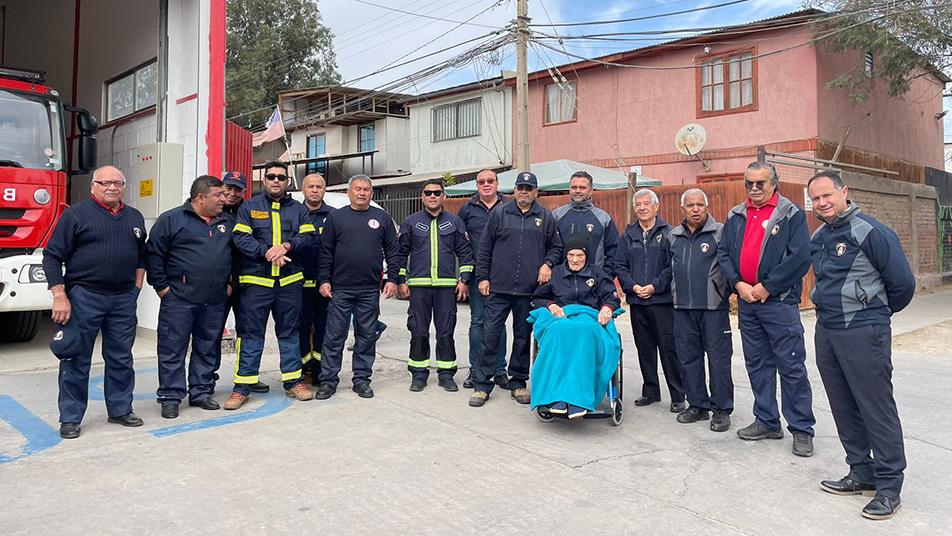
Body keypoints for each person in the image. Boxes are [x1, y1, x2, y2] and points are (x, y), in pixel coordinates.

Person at [808, 171, 915, 520]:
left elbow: (902, 285)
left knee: (875, 407)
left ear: (844, 192)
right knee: (842, 404)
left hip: (863, 332)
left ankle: (888, 487)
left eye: (827, 195)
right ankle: (861, 472)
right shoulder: (820, 235)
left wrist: (873, 314)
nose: (822, 203)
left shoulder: (871, 231)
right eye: (815, 199)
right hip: (827, 330)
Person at [716, 161, 815, 457]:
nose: (755, 189)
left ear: (774, 183)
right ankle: (767, 421)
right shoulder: (736, 215)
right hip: (747, 303)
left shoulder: (790, 214)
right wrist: (738, 284)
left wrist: (767, 286)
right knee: (757, 364)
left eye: (761, 183)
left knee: (791, 366)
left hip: (778, 302)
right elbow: (723, 253)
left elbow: (800, 258)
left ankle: (801, 429)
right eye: (750, 183)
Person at [42, 166, 147, 439]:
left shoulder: (134, 217)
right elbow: (52, 256)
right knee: (75, 357)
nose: (112, 187)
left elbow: (141, 256)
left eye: (118, 183)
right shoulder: (75, 215)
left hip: (123, 299)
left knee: (121, 357)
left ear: (124, 187)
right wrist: (60, 296)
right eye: (106, 182)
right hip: (83, 296)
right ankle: (70, 418)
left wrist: (136, 287)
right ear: (93, 186)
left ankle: (121, 410)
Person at [227, 161, 316, 410]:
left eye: (281, 177)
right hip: (257, 283)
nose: (276, 180)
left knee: (289, 333)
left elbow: (307, 237)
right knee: (250, 334)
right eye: (271, 176)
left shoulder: (298, 209)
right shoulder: (249, 207)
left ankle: (293, 382)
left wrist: (286, 247)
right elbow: (240, 237)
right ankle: (242, 387)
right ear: (264, 180)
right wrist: (266, 252)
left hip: (288, 282)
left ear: (287, 181)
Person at [469, 172, 562, 407]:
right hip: (498, 288)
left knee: (523, 337)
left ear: (536, 192)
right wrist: (483, 278)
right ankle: (482, 385)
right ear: (514, 190)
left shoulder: (545, 217)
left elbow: (556, 248)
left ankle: (518, 382)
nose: (524, 192)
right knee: (490, 336)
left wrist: (547, 264)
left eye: (529, 188)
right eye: (520, 187)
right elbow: (484, 249)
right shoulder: (500, 213)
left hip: (529, 291)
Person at [145, 175, 234, 418]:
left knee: (207, 348)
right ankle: (170, 397)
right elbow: (153, 256)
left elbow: (237, 257)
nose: (223, 200)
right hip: (179, 300)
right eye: (218, 195)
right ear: (200, 197)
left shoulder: (227, 221)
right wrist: (162, 288)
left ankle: (201, 392)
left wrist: (229, 285)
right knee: (173, 349)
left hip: (214, 300)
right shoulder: (172, 219)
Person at [316, 174, 400, 400]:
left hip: (369, 290)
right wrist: (324, 280)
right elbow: (326, 252)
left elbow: (393, 250)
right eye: (357, 189)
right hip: (340, 289)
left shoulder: (381, 217)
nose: (362, 193)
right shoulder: (336, 218)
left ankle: (361, 380)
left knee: (366, 336)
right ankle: (328, 381)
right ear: (348, 193)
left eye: (366, 189)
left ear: (371, 194)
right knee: (334, 337)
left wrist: (392, 279)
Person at [530, 233, 620, 419]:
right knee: (557, 330)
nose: (575, 259)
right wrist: (551, 305)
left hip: (589, 317)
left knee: (585, 330)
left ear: (586, 256)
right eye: (571, 255)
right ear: (566, 255)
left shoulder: (597, 273)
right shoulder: (556, 274)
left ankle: (579, 398)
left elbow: (611, 296)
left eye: (580, 255)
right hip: (563, 317)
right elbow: (538, 297)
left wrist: (606, 308)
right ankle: (557, 397)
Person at [396, 179, 474, 392]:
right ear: (422, 196)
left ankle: (446, 374)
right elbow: (400, 254)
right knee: (419, 331)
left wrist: (464, 280)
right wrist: (401, 280)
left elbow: (466, 253)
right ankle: (418, 374)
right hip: (419, 287)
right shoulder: (411, 222)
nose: (432, 196)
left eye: (437, 192)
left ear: (443, 197)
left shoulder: (455, 222)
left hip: (446, 288)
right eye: (428, 192)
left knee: (446, 332)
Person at [667, 188, 733, 432]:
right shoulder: (674, 235)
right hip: (683, 307)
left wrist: (724, 293)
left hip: (713, 308)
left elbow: (731, 265)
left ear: (707, 207)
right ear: (682, 209)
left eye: (700, 205)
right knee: (689, 359)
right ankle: (697, 405)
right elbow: (669, 268)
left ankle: (722, 409)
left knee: (718, 361)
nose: (695, 209)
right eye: (690, 205)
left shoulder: (721, 232)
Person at [614, 189, 685, 413]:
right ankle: (651, 391)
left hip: (661, 301)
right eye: (638, 204)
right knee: (644, 348)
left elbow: (673, 266)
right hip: (637, 301)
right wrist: (633, 286)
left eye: (647, 204)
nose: (642, 208)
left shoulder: (670, 233)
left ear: (656, 206)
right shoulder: (628, 234)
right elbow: (619, 265)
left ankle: (678, 395)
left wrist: (655, 286)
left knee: (668, 349)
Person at [216, 171, 269, 394]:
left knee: (248, 332)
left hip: (246, 282)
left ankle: (248, 375)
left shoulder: (249, 212)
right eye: (228, 187)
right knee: (213, 333)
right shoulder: (213, 212)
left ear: (244, 192)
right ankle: (206, 381)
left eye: (237, 189)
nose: (231, 192)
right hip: (220, 284)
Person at [457, 169, 508, 389]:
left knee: (500, 324)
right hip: (478, 276)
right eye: (481, 182)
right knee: (477, 322)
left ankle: (499, 371)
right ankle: (476, 369)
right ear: (476, 186)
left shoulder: (509, 207)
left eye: (490, 181)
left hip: (504, 277)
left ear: (497, 183)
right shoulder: (467, 210)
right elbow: (461, 245)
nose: (486, 184)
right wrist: (464, 277)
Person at [298, 173, 335, 386]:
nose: (314, 190)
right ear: (303, 189)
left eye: (319, 187)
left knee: (323, 328)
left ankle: (320, 371)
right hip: (297, 284)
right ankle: (302, 370)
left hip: (325, 285)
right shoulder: (294, 214)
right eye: (310, 186)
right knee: (300, 328)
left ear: (324, 190)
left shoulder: (334, 216)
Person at [551, 170, 620, 276]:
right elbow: (549, 247)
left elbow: (614, 250)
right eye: (574, 187)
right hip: (562, 281)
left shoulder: (603, 218)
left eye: (582, 188)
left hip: (594, 282)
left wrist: (605, 275)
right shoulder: (556, 216)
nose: (577, 191)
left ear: (591, 190)